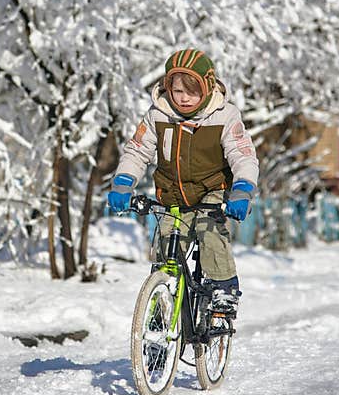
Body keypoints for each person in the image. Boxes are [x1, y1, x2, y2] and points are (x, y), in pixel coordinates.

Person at [107, 48, 259, 318]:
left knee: (210, 232)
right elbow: (137, 150)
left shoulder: (224, 116)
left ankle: (224, 290)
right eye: (177, 91)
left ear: (207, 88)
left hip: (212, 192)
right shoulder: (158, 115)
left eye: (192, 91)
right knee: (166, 249)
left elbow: (242, 155)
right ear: (167, 88)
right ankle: (159, 314)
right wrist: (123, 182)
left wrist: (243, 189)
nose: (184, 98)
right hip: (172, 194)